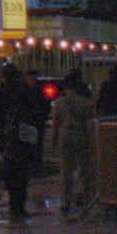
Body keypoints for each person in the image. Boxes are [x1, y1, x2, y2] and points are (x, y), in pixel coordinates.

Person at [0, 61, 50, 223]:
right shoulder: (25, 91)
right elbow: (37, 111)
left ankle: (15, 204)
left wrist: (3, 125)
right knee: (22, 172)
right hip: (23, 137)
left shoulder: (2, 92)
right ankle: (18, 205)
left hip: (9, 137)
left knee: (11, 171)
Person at [49, 69, 99, 217]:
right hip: (81, 135)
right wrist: (92, 142)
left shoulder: (59, 103)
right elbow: (90, 123)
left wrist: (54, 139)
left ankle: (66, 201)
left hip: (65, 136)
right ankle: (86, 198)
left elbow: (55, 123)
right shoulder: (85, 103)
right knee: (84, 169)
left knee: (66, 171)